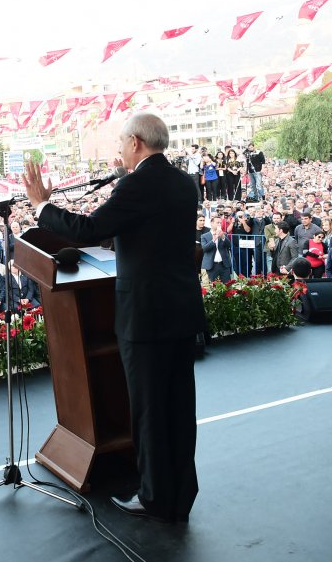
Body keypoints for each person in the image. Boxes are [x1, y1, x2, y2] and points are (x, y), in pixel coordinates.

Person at [23, 112, 203, 524]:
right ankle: (180, 492)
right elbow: (145, 234)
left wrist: (42, 206)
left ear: (137, 142)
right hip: (179, 312)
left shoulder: (137, 183)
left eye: (122, 141)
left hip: (145, 318)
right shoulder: (182, 182)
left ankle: (155, 497)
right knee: (178, 408)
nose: (119, 149)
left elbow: (89, 229)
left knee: (148, 411)